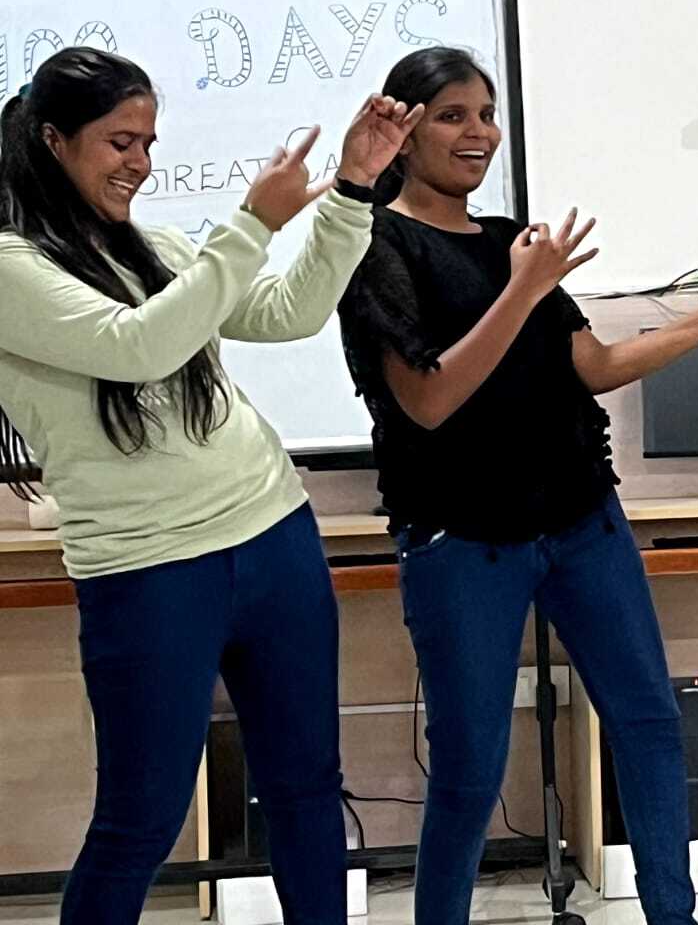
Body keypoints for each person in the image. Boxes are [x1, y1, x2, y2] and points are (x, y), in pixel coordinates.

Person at [336, 45, 698, 925]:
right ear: (402, 133)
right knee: (470, 764)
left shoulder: (508, 240)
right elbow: (427, 400)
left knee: (648, 720)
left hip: (581, 517)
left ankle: (674, 915)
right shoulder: (373, 246)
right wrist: (522, 289)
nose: (479, 133)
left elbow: (591, 365)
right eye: (452, 116)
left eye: (486, 114)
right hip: (461, 537)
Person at [0, 45, 416, 923]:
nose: (140, 164)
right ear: (52, 140)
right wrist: (252, 222)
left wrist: (351, 192)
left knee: (307, 788)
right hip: (147, 570)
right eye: (120, 143)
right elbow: (138, 346)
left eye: (149, 143)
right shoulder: (10, 266)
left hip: (273, 536)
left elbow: (289, 312)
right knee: (140, 821)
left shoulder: (157, 246)